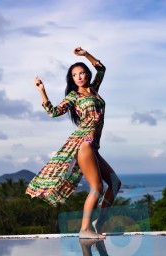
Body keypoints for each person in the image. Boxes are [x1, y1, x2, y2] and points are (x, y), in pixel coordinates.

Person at [26, 47, 121, 239]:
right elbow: (53, 112)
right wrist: (42, 91)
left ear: (87, 74)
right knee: (97, 187)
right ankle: (84, 229)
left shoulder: (94, 90)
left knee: (115, 183)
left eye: (82, 72)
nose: (79, 77)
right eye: (74, 75)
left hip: (94, 147)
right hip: (84, 143)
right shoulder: (73, 97)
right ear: (72, 79)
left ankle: (97, 223)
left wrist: (86, 54)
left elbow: (101, 69)